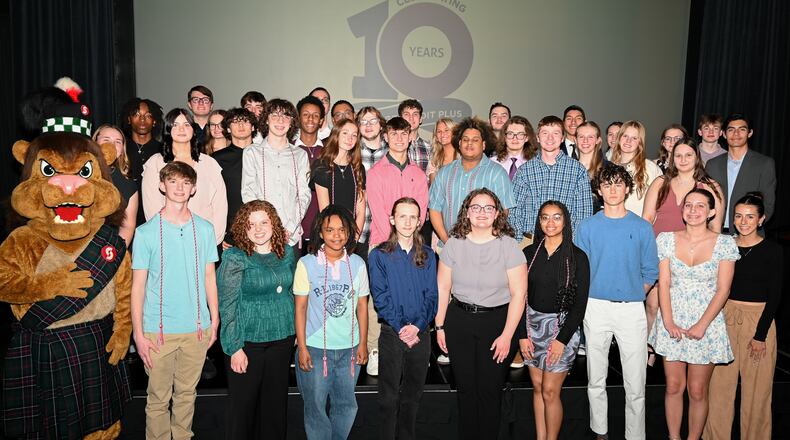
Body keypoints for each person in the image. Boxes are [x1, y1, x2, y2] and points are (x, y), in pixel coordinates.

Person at [131, 161, 220, 440]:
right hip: (157, 332)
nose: (179, 188)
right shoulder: (145, 233)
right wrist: (138, 333)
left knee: (186, 395)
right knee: (158, 399)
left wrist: (214, 320)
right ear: (162, 186)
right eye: (173, 181)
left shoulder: (204, 229)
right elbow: (138, 287)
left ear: (193, 189)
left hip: (196, 330)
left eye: (185, 182)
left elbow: (209, 277)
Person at [434, 188, 527, 440]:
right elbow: (443, 288)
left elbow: (519, 294)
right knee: (465, 390)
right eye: (476, 207)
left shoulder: (509, 246)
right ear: (467, 212)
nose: (482, 212)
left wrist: (508, 336)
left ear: (497, 213)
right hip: (459, 322)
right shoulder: (453, 244)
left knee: (489, 391)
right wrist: (439, 326)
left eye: (488, 208)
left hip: (497, 325)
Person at [575, 163, 659, 440]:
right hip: (595, 307)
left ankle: (635, 436)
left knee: (635, 382)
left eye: (618, 184)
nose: (613, 190)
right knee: (595, 378)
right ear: (599, 191)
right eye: (607, 184)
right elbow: (581, 271)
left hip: (631, 309)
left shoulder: (642, 227)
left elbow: (651, 271)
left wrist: (633, 292)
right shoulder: (586, 227)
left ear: (627, 189)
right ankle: (600, 432)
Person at [649, 188, 738, 440]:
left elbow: (723, 289)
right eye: (688, 205)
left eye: (700, 206)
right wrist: (667, 321)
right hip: (672, 319)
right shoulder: (666, 239)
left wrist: (702, 325)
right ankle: (674, 437)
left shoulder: (724, 243)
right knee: (673, 386)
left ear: (711, 212)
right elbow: (664, 283)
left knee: (697, 390)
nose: (693, 210)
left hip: (706, 323)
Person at [705, 192, 783, 439]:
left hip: (758, 321)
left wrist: (760, 335)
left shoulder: (772, 251)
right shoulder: (725, 246)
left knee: (758, 391)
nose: (743, 221)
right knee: (718, 388)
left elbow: (776, 296)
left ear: (761, 219)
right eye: (738, 216)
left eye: (750, 217)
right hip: (725, 316)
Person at [217, 200, 296, 439]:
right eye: (251, 224)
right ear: (244, 228)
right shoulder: (235, 257)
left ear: (274, 224)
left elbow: (293, 294)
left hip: (282, 339)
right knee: (243, 411)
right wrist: (234, 348)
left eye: (264, 222)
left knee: (275, 409)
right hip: (247, 342)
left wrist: (296, 333)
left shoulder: (287, 253)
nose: (258, 229)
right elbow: (227, 305)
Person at [642, 138, 724, 360]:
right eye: (678, 155)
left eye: (688, 155)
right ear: (672, 158)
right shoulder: (661, 183)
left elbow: (716, 228)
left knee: (680, 308)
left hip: (692, 259)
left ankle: (679, 350)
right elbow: (647, 219)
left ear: (697, 157)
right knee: (653, 305)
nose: (683, 159)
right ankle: (650, 350)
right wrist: (644, 253)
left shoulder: (710, 187)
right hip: (660, 254)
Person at [293, 205, 369, 440]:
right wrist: (302, 347)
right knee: (315, 408)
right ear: (320, 233)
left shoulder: (358, 264)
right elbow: (300, 308)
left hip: (349, 349)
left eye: (342, 229)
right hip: (315, 349)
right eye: (330, 230)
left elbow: (362, 306)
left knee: (346, 405)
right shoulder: (306, 263)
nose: (336, 235)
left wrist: (363, 344)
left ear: (349, 232)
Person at [519, 201, 590, 440]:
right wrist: (522, 335)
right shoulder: (528, 254)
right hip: (531, 328)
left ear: (565, 221)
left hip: (562, 329)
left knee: (550, 391)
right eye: (545, 217)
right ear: (539, 221)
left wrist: (561, 340)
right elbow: (519, 298)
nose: (550, 223)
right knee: (538, 388)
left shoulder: (578, 257)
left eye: (556, 217)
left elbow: (579, 306)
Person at [369, 198, 438, 440]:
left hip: (420, 335)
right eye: (402, 216)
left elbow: (432, 297)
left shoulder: (428, 255)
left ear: (420, 221)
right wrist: (402, 328)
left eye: (413, 217)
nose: (407, 222)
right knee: (388, 398)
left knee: (412, 397)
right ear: (392, 219)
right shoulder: (379, 255)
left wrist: (417, 327)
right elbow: (380, 297)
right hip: (392, 334)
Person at [141, 108, 227, 246]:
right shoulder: (155, 163)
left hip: (205, 241)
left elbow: (220, 207)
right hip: (167, 242)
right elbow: (151, 208)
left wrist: (212, 241)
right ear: (168, 129)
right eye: (175, 125)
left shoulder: (209, 164)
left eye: (186, 124)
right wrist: (167, 240)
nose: (181, 129)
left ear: (193, 130)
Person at [429, 117, 514, 249]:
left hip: (485, 249)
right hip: (448, 247)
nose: (469, 143)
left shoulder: (497, 173)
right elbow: (434, 209)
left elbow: (504, 211)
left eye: (475, 140)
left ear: (484, 145)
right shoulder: (444, 173)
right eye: (465, 139)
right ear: (459, 143)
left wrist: (487, 241)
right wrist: (447, 241)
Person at [509, 115, 594, 242]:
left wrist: (570, 242)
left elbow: (584, 213)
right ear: (538, 137)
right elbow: (514, 210)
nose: (550, 138)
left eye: (555, 133)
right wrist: (519, 241)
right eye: (545, 133)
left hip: (565, 242)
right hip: (529, 241)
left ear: (562, 138)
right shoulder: (524, 171)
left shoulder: (577, 170)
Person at [241, 99, 311, 250]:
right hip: (261, 235)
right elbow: (248, 192)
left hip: (291, 237)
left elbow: (304, 195)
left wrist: (289, 228)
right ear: (266, 119)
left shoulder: (300, 155)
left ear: (292, 122)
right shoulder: (252, 152)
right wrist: (267, 226)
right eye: (275, 115)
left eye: (286, 116)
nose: (280, 120)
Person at [705, 113, 776, 233]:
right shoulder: (712, 165)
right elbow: (706, 199)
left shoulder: (764, 164)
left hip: (749, 234)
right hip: (715, 233)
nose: (736, 134)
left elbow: (768, 204)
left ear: (750, 133)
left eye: (742, 129)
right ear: (724, 134)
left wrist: (751, 227)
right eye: (731, 130)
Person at [311, 118, 367, 256]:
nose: (350, 138)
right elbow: (325, 210)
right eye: (345, 133)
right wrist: (337, 238)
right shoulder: (322, 166)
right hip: (328, 234)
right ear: (336, 134)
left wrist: (354, 239)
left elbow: (361, 210)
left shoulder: (358, 168)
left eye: (354, 135)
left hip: (351, 235)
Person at [212, 108, 258, 248]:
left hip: (260, 227)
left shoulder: (264, 156)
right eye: (235, 122)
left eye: (245, 121)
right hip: (228, 232)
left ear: (253, 127)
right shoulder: (216, 159)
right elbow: (212, 199)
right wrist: (220, 233)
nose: (241, 125)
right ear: (228, 128)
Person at [93, 123, 138, 246]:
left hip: (108, 248)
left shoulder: (128, 184)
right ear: (94, 143)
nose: (111, 145)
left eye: (118, 142)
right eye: (106, 140)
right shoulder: (79, 174)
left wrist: (117, 252)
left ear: (122, 150)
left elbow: (127, 227)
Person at [610, 120, 663, 216]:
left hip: (639, 223)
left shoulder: (651, 169)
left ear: (640, 142)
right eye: (625, 136)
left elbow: (659, 204)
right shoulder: (608, 166)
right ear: (619, 138)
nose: (628, 141)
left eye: (634, 138)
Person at [296, 95, 327, 250]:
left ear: (321, 120)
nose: (310, 119)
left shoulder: (329, 151)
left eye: (315, 115)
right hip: (294, 230)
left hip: (322, 229)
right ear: (298, 118)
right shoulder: (289, 150)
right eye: (306, 114)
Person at [119, 97, 164, 182]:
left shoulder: (163, 150)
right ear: (129, 119)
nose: (142, 119)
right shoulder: (121, 149)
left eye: (148, 116)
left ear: (154, 121)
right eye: (136, 115)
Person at [492, 115, 537, 180]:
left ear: (527, 138)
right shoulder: (492, 163)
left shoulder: (535, 164)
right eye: (510, 134)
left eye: (520, 134)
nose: (515, 138)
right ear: (504, 137)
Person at [575, 121, 607, 213]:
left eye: (590, 137)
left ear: (598, 140)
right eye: (581, 137)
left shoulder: (607, 168)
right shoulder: (568, 168)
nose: (585, 141)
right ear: (575, 140)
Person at [399, 99, 431, 173]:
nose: (411, 118)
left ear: (420, 119)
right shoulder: (392, 147)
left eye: (415, 114)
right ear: (400, 119)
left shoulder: (429, 148)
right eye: (407, 114)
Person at [426, 117, 457, 184]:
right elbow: (434, 187)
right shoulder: (434, 160)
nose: (442, 134)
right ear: (436, 137)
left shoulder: (463, 156)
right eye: (439, 131)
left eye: (446, 130)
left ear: (454, 133)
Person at [187, 85, 214, 151]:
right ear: (189, 105)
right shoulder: (182, 129)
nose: (201, 103)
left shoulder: (221, 128)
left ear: (211, 105)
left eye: (205, 100)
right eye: (196, 99)